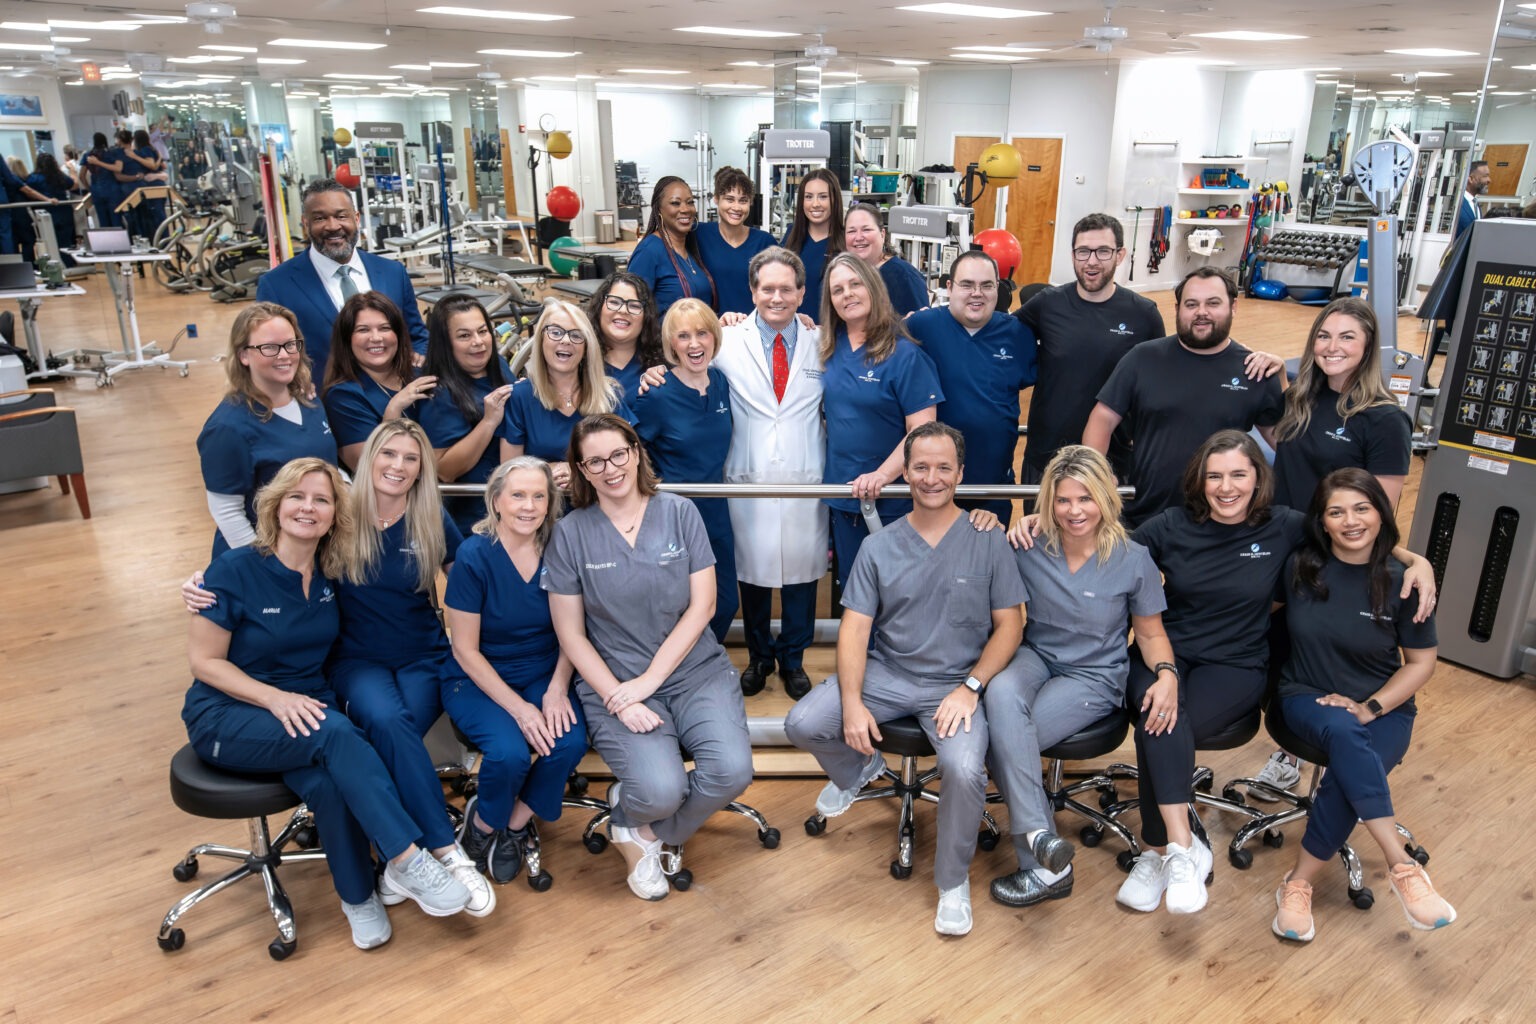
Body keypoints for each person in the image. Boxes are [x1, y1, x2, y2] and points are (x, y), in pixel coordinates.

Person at [181, 424, 496, 918]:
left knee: (394, 734)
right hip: (356, 660)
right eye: (387, 453)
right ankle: (442, 850)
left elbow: (466, 574)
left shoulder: (429, 515)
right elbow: (260, 567)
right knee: (384, 726)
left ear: (423, 469)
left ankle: (394, 862)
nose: (397, 465)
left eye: (411, 458)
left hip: (421, 655)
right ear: (367, 458)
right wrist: (201, 583)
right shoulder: (338, 511)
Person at [786, 422, 1025, 936]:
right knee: (804, 722)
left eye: (944, 468)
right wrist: (851, 701)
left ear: (961, 474)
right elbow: (854, 629)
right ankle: (861, 771)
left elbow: (1011, 626)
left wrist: (972, 686)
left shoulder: (988, 538)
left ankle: (952, 881)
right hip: (889, 673)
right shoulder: (880, 547)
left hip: (955, 686)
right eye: (921, 467)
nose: (932, 478)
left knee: (963, 771)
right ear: (906, 472)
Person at [543, 414, 753, 900]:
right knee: (660, 789)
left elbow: (704, 605)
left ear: (636, 452)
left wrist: (651, 681)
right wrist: (621, 696)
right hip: (614, 681)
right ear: (582, 470)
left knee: (732, 771)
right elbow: (571, 635)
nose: (610, 468)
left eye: (618, 454)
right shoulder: (571, 533)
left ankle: (641, 832)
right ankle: (640, 806)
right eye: (594, 461)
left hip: (694, 672)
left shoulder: (679, 512)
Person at [1270, 469, 1453, 943]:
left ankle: (1296, 885)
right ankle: (1402, 865)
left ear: (1381, 512)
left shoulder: (1403, 581)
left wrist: (1372, 706)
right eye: (1336, 511)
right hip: (1306, 695)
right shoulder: (1299, 566)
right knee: (1349, 739)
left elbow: (1420, 663)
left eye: (1362, 508)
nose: (1350, 520)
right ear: (1322, 521)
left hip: (1386, 705)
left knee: (1348, 773)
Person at [985, 445, 1171, 909]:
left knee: (1001, 742)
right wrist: (991, 522)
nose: (1074, 511)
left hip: (1094, 675)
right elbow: (980, 557)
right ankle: (1045, 844)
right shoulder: (1029, 544)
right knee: (1002, 690)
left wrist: (1166, 674)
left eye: (1085, 499)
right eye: (1063, 500)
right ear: (1048, 502)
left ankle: (1044, 866)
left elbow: (1149, 635)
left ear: (1105, 499)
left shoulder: (1133, 559)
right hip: (1036, 656)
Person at [1249, 297, 1414, 797]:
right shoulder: (1302, 397)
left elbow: (1378, 513)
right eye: (1324, 335)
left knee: (1325, 658)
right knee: (1285, 656)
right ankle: (1291, 751)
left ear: (1367, 348)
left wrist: (1411, 560)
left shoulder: (1383, 419)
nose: (1333, 346)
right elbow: (1277, 442)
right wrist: (1279, 374)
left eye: (1347, 337)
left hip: (1336, 561)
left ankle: (1339, 763)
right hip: (1285, 550)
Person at [442, 457, 589, 885]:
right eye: (518, 495)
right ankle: (482, 824)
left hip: (545, 669)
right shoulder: (473, 556)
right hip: (478, 677)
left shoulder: (561, 547)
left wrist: (558, 686)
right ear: (497, 501)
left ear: (550, 502)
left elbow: (573, 632)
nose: (529, 506)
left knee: (567, 742)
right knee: (507, 753)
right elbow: (465, 650)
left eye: (539, 496)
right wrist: (522, 710)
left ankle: (515, 824)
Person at [1084, 267, 1284, 527]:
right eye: (1192, 304)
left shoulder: (1253, 370)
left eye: (1213, 303)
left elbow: (1285, 443)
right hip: (1146, 514)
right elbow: (1102, 419)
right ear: (1178, 308)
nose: (1202, 312)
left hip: (1219, 521)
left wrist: (1282, 379)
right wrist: (1095, 472)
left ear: (1233, 306)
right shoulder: (1142, 358)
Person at [717, 247, 827, 700]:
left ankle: (794, 658)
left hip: (805, 474)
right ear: (752, 291)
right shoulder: (725, 341)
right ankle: (760, 656)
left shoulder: (822, 342)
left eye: (786, 289)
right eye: (768, 288)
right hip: (749, 473)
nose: (777, 297)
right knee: (753, 574)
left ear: (802, 292)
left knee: (803, 574)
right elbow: (682, 359)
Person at [818, 252, 943, 590]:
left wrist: (881, 476)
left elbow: (923, 432)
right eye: (838, 289)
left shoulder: (905, 355)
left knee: (896, 595)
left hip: (890, 501)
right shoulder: (829, 347)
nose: (848, 294)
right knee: (855, 596)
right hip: (843, 496)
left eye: (856, 284)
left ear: (873, 288)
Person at [1013, 213, 1166, 483]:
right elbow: (996, 334)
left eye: (1103, 251)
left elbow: (1160, 383)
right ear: (1073, 255)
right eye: (1083, 252)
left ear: (1120, 255)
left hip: (1111, 462)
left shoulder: (1143, 315)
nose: (1092, 261)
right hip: (1046, 456)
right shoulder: (1047, 305)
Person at [197, 302, 338, 561]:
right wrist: (267, 567)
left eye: (290, 344)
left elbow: (328, 466)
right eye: (269, 347)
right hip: (263, 558)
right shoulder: (227, 427)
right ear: (243, 355)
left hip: (313, 550)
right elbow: (227, 511)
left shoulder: (309, 400)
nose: (284, 355)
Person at [903, 249, 1037, 521]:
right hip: (934, 484)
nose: (977, 293)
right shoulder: (919, 327)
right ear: (949, 287)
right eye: (967, 284)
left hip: (992, 486)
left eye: (986, 285)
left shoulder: (1017, 334)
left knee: (987, 561)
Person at [634, 298, 738, 642]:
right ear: (671, 345)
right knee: (679, 605)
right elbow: (633, 454)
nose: (694, 344)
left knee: (724, 602)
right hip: (674, 516)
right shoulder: (657, 394)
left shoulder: (721, 382)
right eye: (683, 336)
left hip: (717, 510)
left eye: (702, 333)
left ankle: (704, 662)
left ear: (714, 337)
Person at [256, 178, 429, 373]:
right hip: (324, 399)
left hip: (397, 392)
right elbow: (269, 353)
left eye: (341, 216)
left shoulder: (393, 272)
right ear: (306, 223)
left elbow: (417, 336)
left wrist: (417, 366)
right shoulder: (277, 285)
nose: (332, 226)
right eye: (320, 218)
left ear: (356, 218)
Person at [500, 300, 633, 491]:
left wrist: (579, 472)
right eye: (555, 332)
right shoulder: (520, 397)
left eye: (576, 335)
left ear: (586, 347)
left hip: (599, 507)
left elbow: (631, 461)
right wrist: (546, 470)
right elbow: (509, 473)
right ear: (541, 340)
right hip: (543, 511)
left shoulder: (609, 395)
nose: (565, 340)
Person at [417, 294, 514, 536]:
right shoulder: (437, 393)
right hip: (473, 520)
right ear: (445, 343)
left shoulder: (499, 367)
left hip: (511, 507)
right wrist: (489, 421)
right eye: (464, 335)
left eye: (483, 331)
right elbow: (445, 470)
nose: (478, 342)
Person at [321, 292, 438, 472]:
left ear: (398, 334)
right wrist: (393, 409)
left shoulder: (420, 375)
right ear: (347, 339)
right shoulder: (342, 396)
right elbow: (367, 468)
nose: (376, 338)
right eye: (363, 330)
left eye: (384, 328)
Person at [626, 176, 716, 317]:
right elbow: (632, 309)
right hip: (663, 338)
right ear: (659, 210)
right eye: (675, 203)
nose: (685, 209)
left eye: (690, 202)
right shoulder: (649, 251)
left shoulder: (692, 247)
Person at [694, 165, 775, 316]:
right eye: (729, 200)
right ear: (716, 199)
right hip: (713, 329)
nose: (736, 207)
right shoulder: (699, 234)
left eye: (743, 201)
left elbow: (779, 288)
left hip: (754, 329)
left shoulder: (765, 242)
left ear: (750, 202)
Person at [584, 272, 665, 407]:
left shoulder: (662, 363)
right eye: (614, 302)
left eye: (634, 305)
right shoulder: (581, 359)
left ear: (646, 316)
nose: (623, 310)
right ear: (599, 308)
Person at [843, 202, 928, 316]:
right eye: (852, 231)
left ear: (882, 234)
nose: (858, 237)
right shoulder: (844, 274)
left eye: (866, 230)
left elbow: (920, 327)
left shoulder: (904, 276)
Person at [782, 168, 844, 318]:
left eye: (823, 197)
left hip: (830, 333)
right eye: (808, 197)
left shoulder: (845, 241)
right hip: (792, 330)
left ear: (834, 199)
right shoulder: (792, 235)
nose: (815, 204)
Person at [26, 152, 78, 253]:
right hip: (64, 212)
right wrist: (72, 171)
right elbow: (73, 185)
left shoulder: (33, 178)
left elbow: (28, 192)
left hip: (45, 213)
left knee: (49, 243)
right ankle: (68, 263)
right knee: (65, 242)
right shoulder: (60, 176)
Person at [124, 128, 167, 239]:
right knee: (159, 214)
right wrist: (159, 159)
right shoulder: (153, 150)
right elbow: (161, 166)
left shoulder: (145, 150)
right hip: (158, 184)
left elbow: (151, 165)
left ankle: (162, 239)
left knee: (157, 214)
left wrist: (135, 157)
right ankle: (162, 238)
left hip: (152, 186)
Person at [83, 132, 123, 230]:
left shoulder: (88, 155)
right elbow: (118, 168)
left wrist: (89, 188)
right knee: (116, 220)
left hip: (96, 191)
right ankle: (120, 243)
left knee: (103, 222)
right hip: (113, 190)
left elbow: (81, 176)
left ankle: (107, 244)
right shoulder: (113, 153)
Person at [1454, 160, 1489, 241]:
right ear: (1471, 179)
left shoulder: (1475, 203)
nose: (1489, 180)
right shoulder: (1458, 204)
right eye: (1485, 176)